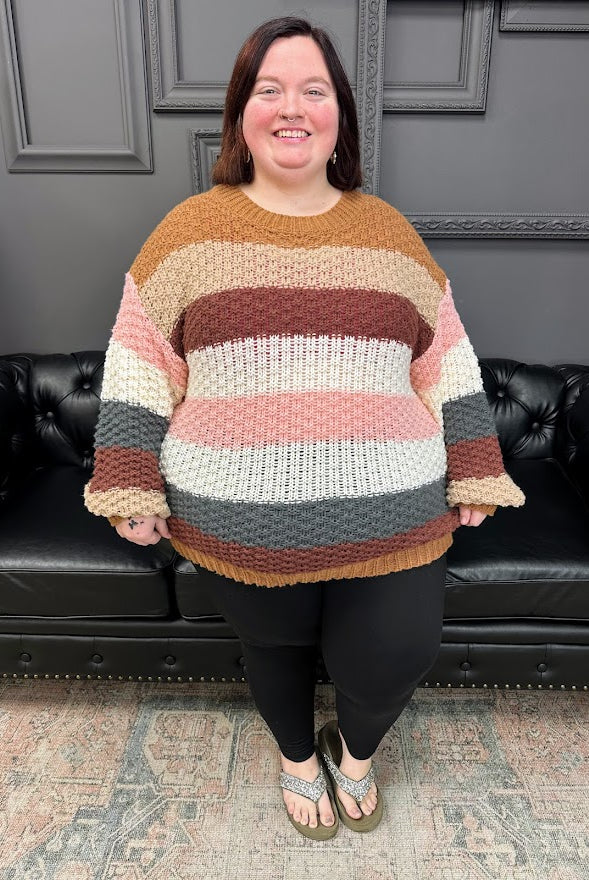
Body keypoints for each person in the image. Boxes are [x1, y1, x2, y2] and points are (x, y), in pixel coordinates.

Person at [84, 16, 526, 840]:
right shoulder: (187, 233)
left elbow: (446, 360)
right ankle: (296, 758)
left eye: (313, 90)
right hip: (234, 517)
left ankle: (352, 755)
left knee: (398, 650)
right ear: (240, 115)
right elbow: (139, 362)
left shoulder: (387, 230)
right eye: (269, 89)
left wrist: (472, 462)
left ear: (338, 118)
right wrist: (127, 479)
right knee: (274, 653)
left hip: (392, 510)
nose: (292, 108)